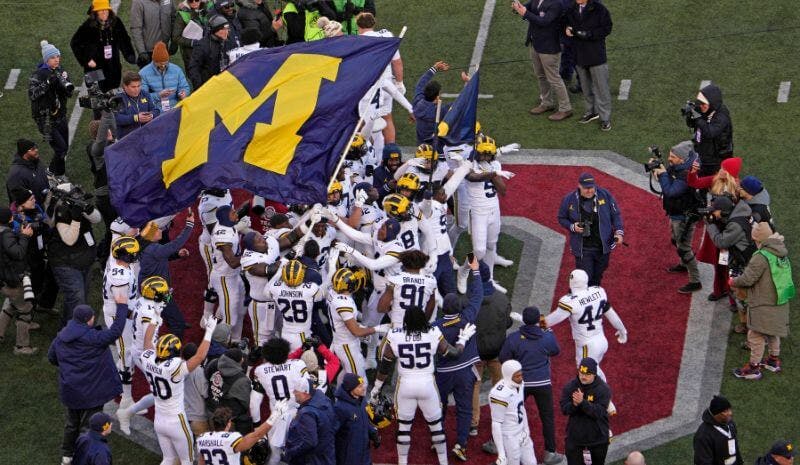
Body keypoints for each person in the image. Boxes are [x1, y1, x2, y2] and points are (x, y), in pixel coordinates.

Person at [370, 307, 476, 465]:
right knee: (436, 427)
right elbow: (454, 354)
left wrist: (377, 387)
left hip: (405, 385)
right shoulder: (433, 332)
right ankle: (443, 461)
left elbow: (385, 366)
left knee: (404, 428)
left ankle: (403, 462)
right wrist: (462, 340)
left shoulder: (395, 335)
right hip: (427, 385)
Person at [47, 296, 128, 465]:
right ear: (88, 320)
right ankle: (84, 457)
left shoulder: (60, 338)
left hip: (71, 391)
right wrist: (122, 306)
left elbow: (52, 358)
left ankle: (67, 456)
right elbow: (116, 331)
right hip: (92, 392)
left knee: (71, 424)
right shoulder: (95, 338)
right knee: (88, 428)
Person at [546, 269, 626, 414]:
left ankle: (605, 401)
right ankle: (605, 400)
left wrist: (535, 322)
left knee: (587, 372)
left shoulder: (569, 301)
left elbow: (553, 320)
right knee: (594, 370)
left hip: (587, 344)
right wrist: (622, 329)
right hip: (602, 340)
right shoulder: (599, 291)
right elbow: (610, 312)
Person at [140, 319, 218, 465]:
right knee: (187, 461)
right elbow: (200, 357)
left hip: (159, 420)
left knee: (168, 459)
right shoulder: (174, 368)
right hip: (176, 422)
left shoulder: (148, 360)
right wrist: (209, 331)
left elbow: (147, 343)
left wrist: (154, 321)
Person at [499, 306, 563, 464]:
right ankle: (550, 452)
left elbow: (503, 358)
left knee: (508, 412)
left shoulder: (514, 338)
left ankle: (495, 444)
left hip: (521, 382)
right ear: (537, 321)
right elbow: (555, 351)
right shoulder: (546, 336)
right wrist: (546, 330)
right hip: (542, 382)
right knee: (547, 417)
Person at [433, 257, 482, 461]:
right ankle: (461, 444)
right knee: (464, 409)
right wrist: (476, 272)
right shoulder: (467, 317)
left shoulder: (435, 326)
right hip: (464, 372)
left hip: (443, 374)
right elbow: (477, 296)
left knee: (439, 407)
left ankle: (438, 440)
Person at [731, 222, 794, 379]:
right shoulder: (781, 252)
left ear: (759, 239)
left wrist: (734, 281)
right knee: (772, 332)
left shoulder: (761, 256)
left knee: (755, 335)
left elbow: (747, 279)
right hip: (780, 300)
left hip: (763, 302)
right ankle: (773, 361)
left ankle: (753, 368)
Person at [46, 183, 103, 324]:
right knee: (78, 299)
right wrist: (76, 219)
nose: (78, 197)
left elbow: (97, 219)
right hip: (66, 262)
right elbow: (70, 239)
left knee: (76, 297)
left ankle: (67, 325)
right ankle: (71, 336)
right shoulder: (61, 212)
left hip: (84, 258)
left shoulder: (78, 206)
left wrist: (88, 210)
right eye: (75, 196)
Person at [652, 141, 704, 293]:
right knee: (675, 240)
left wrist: (662, 174)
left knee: (684, 248)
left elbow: (670, 191)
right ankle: (683, 263)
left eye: (673, 157)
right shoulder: (679, 166)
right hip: (676, 213)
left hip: (683, 217)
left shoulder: (686, 174)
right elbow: (667, 178)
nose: (670, 159)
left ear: (682, 159)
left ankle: (695, 281)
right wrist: (657, 171)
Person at [557, 171, 624, 287]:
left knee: (597, 278)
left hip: (603, 247)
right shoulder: (569, 199)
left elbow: (615, 214)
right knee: (584, 279)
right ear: (579, 186)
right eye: (586, 188)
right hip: (583, 248)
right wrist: (572, 227)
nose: (589, 191)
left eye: (591, 187)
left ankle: (593, 300)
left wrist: (619, 233)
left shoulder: (605, 195)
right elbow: (561, 218)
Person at [251, 337, 310, 464]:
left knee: (274, 456)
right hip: (299, 415)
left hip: (276, 417)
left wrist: (257, 426)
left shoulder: (261, 370)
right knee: (300, 453)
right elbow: (308, 388)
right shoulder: (298, 364)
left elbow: (254, 403)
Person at [471, 260, 512, 438]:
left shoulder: (470, 301)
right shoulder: (502, 299)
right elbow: (508, 322)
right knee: (501, 385)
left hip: (477, 352)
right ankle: (502, 419)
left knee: (475, 386)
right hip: (497, 350)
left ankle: (473, 423)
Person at [512, 0, 572, 121]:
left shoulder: (556, 4)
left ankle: (566, 108)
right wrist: (517, 7)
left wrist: (525, 13)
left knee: (554, 78)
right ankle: (546, 102)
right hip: (536, 44)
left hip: (549, 47)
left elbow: (544, 22)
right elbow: (525, 8)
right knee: (541, 75)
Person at [138, 211, 195, 339]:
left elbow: (164, 256)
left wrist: (177, 255)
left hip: (154, 290)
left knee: (166, 308)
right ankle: (172, 350)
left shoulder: (149, 247)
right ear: (151, 235)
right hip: (157, 293)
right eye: (157, 230)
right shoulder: (153, 249)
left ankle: (171, 319)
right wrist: (189, 225)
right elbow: (176, 244)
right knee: (178, 322)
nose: (161, 231)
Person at [101, 235, 141, 409]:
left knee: (128, 352)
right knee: (126, 354)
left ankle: (118, 375)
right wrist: (139, 315)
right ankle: (126, 399)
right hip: (120, 317)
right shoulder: (120, 275)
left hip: (121, 311)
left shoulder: (118, 263)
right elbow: (121, 305)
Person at [564, 0, 613, 131]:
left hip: (596, 55)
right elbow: (565, 22)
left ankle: (605, 118)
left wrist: (588, 34)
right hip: (579, 55)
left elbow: (607, 28)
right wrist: (567, 28)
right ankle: (591, 111)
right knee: (586, 88)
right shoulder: (572, 8)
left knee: (601, 89)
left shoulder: (599, 8)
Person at [9, 188, 59, 317]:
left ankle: (37, 306)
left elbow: (45, 221)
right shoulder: (15, 221)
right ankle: (24, 316)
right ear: (21, 205)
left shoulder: (35, 207)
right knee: (30, 288)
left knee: (41, 281)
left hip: (40, 253)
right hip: (27, 260)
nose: (35, 201)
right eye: (31, 199)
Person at [28, 40, 75, 176]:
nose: (57, 60)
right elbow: (32, 94)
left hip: (60, 115)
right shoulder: (37, 75)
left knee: (63, 149)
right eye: (53, 58)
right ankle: (51, 172)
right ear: (46, 59)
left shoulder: (60, 70)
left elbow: (69, 93)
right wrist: (48, 83)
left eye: (58, 56)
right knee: (60, 149)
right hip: (45, 119)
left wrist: (66, 82)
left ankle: (59, 174)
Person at [70, 0, 136, 93]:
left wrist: (129, 54)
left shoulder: (116, 22)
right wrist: (86, 60)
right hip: (94, 69)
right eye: (101, 10)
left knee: (113, 96)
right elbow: (74, 43)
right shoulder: (88, 26)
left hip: (113, 66)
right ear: (95, 12)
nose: (105, 12)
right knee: (96, 97)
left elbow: (124, 39)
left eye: (106, 9)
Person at [559, 358, 612, 465]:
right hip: (575, 440)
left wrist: (582, 403)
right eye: (581, 373)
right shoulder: (570, 387)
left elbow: (599, 413)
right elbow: (564, 409)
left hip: (597, 440)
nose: (583, 376)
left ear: (594, 374)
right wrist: (574, 404)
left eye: (587, 374)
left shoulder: (603, 389)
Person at [196, 404, 288, 465]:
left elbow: (201, 462)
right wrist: (274, 416)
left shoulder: (202, 438)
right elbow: (257, 435)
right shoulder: (230, 439)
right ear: (229, 423)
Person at [0, 207, 36, 354]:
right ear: (9, 219)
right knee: (25, 310)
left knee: (10, 305)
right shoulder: (6, 235)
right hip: (12, 280)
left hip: (3, 280)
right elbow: (18, 253)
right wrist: (24, 236)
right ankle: (22, 347)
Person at [488, 360, 537, 465]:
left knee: (531, 462)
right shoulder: (500, 394)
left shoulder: (520, 384)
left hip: (521, 431)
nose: (521, 378)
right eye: (517, 376)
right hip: (509, 435)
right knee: (513, 462)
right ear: (508, 375)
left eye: (521, 375)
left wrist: (526, 430)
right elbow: (496, 424)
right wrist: (501, 454)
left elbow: (521, 408)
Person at [283, 378, 339, 465]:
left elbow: (309, 443)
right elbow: (335, 425)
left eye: (296, 391)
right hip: (327, 456)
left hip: (312, 460)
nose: (294, 393)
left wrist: (290, 453)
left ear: (305, 393)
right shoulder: (325, 401)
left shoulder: (307, 413)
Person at [686, 84, 733, 177]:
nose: (700, 106)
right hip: (701, 152)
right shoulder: (704, 109)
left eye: (703, 103)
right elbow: (691, 124)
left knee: (709, 182)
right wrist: (690, 115)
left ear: (712, 102)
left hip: (715, 160)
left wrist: (697, 117)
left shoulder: (722, 116)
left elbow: (710, 132)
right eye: (699, 102)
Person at [205, 348, 253, 434]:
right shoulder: (241, 379)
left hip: (211, 412)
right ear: (239, 361)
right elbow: (246, 403)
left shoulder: (213, 363)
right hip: (227, 421)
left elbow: (206, 375)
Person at [333, 373, 377, 465]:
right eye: (359, 386)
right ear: (350, 389)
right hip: (349, 458)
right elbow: (332, 432)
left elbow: (364, 421)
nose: (363, 388)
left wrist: (373, 433)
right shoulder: (340, 408)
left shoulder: (362, 402)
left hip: (365, 456)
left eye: (363, 385)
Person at [139, 41, 190, 112]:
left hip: (176, 107)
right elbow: (141, 97)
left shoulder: (177, 70)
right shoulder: (143, 73)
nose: (163, 66)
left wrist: (183, 93)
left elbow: (184, 87)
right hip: (155, 109)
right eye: (159, 64)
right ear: (154, 61)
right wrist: (159, 95)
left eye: (165, 63)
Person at [692, 395, 743, 465]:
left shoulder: (730, 424)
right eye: (725, 411)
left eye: (729, 409)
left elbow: (735, 449)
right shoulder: (703, 435)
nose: (730, 413)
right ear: (717, 414)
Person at [189, 15, 232, 89]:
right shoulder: (202, 46)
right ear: (215, 31)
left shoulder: (227, 42)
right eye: (223, 29)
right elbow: (193, 68)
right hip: (208, 86)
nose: (226, 32)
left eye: (227, 29)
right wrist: (200, 87)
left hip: (225, 83)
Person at [115, 70, 160, 138]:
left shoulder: (144, 94)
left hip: (147, 135)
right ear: (125, 86)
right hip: (127, 139)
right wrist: (136, 118)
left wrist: (151, 115)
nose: (137, 89)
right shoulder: (118, 98)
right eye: (133, 87)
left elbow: (156, 110)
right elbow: (117, 119)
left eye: (139, 86)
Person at [130, 0, 175, 68]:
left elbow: (173, 20)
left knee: (165, 77)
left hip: (164, 49)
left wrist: (174, 41)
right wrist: (142, 51)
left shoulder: (168, 1)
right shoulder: (138, 2)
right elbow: (136, 28)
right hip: (148, 52)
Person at [6, 139, 49, 205]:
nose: (36, 150)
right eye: (33, 149)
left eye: (36, 147)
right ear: (25, 153)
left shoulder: (36, 161)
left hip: (42, 203)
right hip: (31, 211)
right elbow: (17, 200)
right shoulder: (16, 174)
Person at [172, 0, 210, 69]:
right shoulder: (182, 14)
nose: (194, 2)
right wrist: (192, 42)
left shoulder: (207, 9)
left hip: (208, 51)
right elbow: (176, 37)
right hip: (191, 53)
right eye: (191, 0)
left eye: (197, 0)